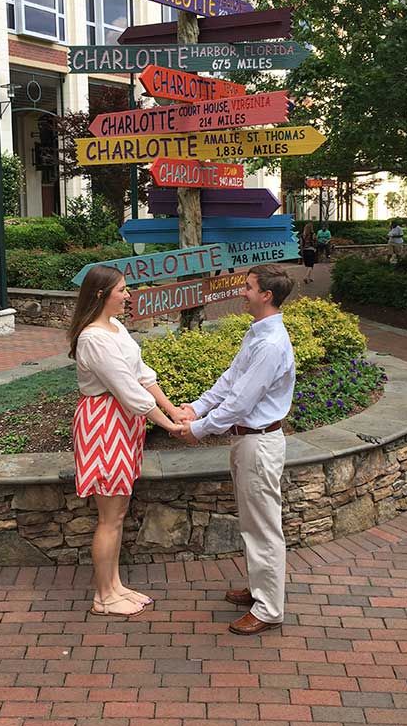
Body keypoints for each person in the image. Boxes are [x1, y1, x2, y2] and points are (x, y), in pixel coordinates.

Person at [173, 263, 295, 635]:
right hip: (247, 441)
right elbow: (231, 379)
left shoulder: (271, 344)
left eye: (247, 286)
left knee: (263, 529)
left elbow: (240, 402)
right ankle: (261, 590)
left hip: (258, 442)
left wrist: (198, 429)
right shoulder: (258, 334)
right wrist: (196, 406)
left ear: (265, 295)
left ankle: (269, 609)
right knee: (253, 523)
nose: (241, 292)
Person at [68, 264, 183, 618]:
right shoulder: (93, 338)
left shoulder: (115, 328)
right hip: (104, 425)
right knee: (110, 516)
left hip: (122, 424)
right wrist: (169, 425)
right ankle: (103, 597)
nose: (128, 295)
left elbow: (143, 375)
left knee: (117, 513)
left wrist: (173, 409)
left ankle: (115, 586)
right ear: (102, 295)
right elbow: (128, 391)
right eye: (122, 290)